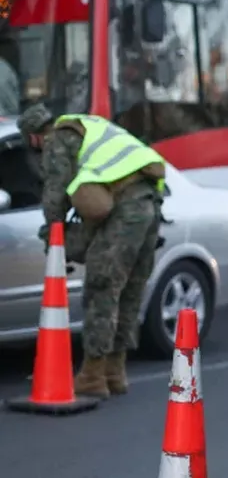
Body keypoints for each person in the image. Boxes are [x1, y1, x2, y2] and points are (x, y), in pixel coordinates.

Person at [17, 103, 166, 397]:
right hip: (151, 204)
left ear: (34, 136)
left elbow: (54, 194)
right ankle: (114, 372)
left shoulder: (57, 139)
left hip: (126, 208)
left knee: (101, 286)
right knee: (128, 292)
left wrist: (53, 233)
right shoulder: (87, 124)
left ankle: (92, 376)